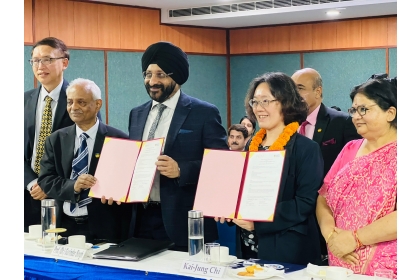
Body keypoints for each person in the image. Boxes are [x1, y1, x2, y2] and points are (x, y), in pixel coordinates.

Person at [128, 41, 228, 251]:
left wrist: (182, 170)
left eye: (161, 74)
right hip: (140, 220)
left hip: (184, 223)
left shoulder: (204, 112)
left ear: (178, 77)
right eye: (148, 74)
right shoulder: (136, 114)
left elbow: (223, 166)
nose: (152, 81)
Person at [216, 72, 324, 265]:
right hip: (248, 244)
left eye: (266, 100)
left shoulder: (306, 148)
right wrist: (227, 206)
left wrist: (258, 221)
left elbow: (305, 203)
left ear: (285, 102)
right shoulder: (251, 146)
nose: (259, 108)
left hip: (288, 248)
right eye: (255, 102)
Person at [316, 76, 397, 277]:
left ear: (390, 113)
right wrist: (331, 237)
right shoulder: (350, 148)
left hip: (386, 264)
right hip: (339, 256)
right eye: (353, 110)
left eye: (364, 109)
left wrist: (355, 239)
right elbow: (323, 198)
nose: (356, 116)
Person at [37, 78, 130, 243]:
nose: (74, 108)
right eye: (70, 102)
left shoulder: (119, 139)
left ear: (98, 104)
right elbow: (46, 180)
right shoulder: (56, 140)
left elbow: (128, 181)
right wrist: (74, 185)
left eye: (81, 102)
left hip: (106, 226)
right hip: (64, 226)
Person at [291, 68, 361, 260]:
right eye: (291, 89)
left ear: (318, 92)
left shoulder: (342, 122)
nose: (294, 95)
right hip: (293, 215)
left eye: (300, 89)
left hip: (328, 213)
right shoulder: (286, 124)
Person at [24, 37, 74, 232]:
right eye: (35, 60)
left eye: (47, 59)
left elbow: (89, 149)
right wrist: (32, 182)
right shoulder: (24, 100)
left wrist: (50, 185)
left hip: (64, 196)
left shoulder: (79, 99)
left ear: (64, 63)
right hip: (28, 193)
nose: (40, 66)